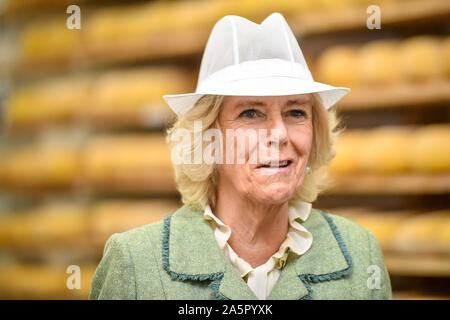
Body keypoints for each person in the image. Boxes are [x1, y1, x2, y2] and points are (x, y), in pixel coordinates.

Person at [89, 12, 392, 300]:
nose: (280, 134)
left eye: (296, 112)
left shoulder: (360, 252)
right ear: (207, 137)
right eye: (251, 113)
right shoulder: (135, 263)